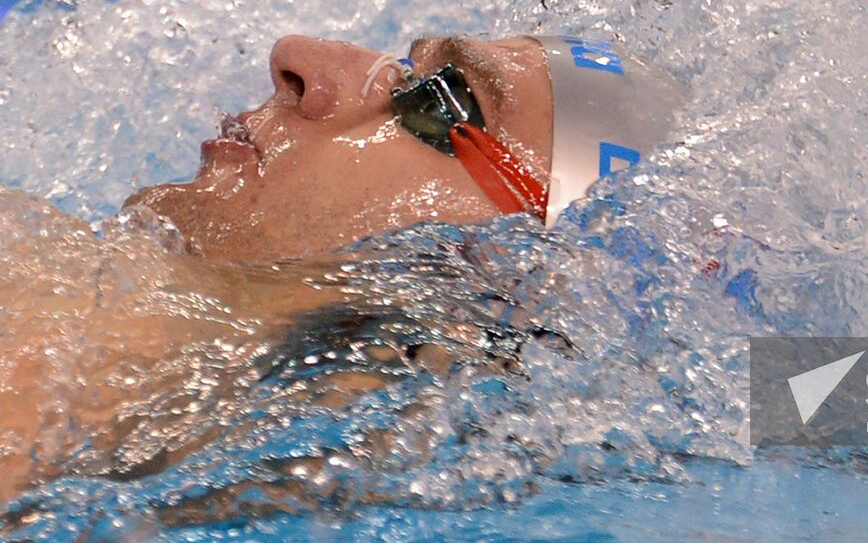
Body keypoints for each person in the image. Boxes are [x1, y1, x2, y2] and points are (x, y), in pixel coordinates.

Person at [0, 32, 684, 501]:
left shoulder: (74, 369)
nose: (299, 57)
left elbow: (791, 394)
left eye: (438, 99)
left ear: (504, 275)